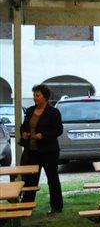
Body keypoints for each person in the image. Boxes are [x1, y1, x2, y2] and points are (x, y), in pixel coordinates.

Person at [19, 84, 63, 215]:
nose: (34, 97)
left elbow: (58, 130)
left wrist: (43, 135)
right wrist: (24, 133)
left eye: (37, 95)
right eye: (34, 95)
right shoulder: (30, 110)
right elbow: (24, 126)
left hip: (48, 151)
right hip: (32, 151)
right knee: (30, 180)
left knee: (52, 179)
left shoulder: (53, 112)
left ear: (45, 97)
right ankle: (26, 206)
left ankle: (56, 206)